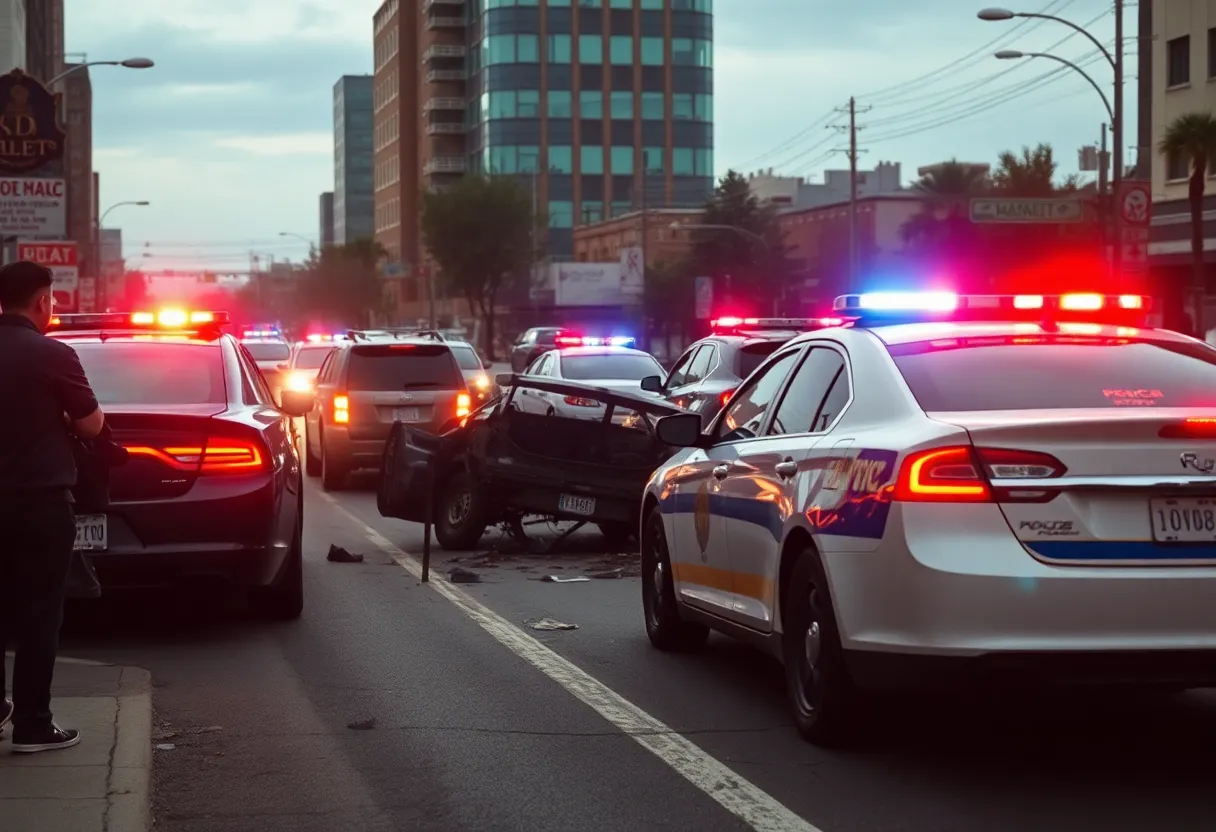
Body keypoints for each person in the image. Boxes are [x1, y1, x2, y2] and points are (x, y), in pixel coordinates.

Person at [0, 261, 104, 753]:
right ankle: (33, 726)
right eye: (53, 300)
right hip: (39, 503)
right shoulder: (52, 354)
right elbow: (90, 426)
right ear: (42, 301)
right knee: (39, 613)